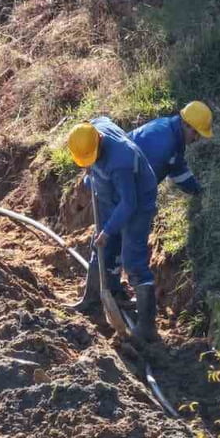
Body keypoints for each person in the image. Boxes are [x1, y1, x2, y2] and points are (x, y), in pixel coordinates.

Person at [67, 116, 160, 344]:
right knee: (100, 247)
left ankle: (147, 327)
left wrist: (108, 231)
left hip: (137, 203)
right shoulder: (94, 130)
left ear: (100, 141)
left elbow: (129, 203)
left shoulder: (120, 161)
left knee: (133, 261)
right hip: (110, 197)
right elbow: (99, 119)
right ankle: (93, 299)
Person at [130, 100, 212, 195]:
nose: (197, 138)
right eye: (195, 132)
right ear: (185, 124)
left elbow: (178, 169)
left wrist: (197, 190)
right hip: (120, 180)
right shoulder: (166, 147)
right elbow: (144, 187)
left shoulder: (167, 125)